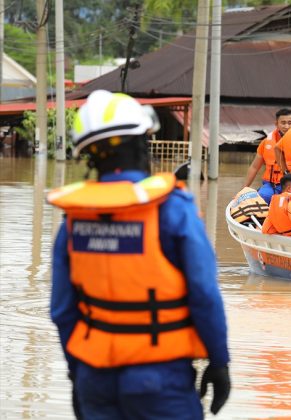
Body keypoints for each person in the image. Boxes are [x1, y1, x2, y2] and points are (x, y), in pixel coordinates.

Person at [48, 90, 230, 419]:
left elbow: (62, 311)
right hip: (160, 378)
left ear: (89, 155)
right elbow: (204, 294)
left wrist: (78, 375)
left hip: (95, 377)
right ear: (143, 143)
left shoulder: (74, 220)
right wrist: (218, 361)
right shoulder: (173, 209)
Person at [243, 108, 291, 203]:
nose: (286, 126)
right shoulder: (266, 142)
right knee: (263, 197)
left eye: (289, 123)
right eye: (283, 123)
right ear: (276, 124)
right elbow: (254, 167)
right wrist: (244, 189)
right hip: (271, 184)